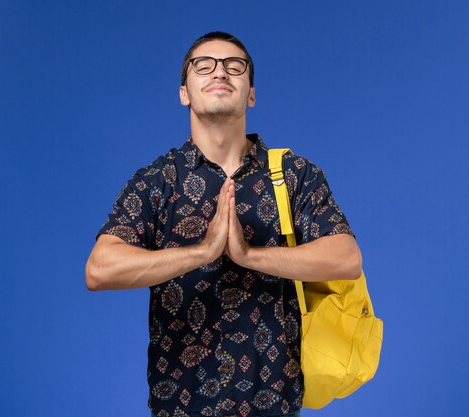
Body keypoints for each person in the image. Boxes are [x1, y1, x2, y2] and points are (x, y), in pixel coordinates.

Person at [85, 31, 362, 417]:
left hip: (275, 405)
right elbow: (99, 269)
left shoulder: (293, 175)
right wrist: (202, 251)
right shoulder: (158, 180)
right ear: (185, 92)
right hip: (179, 406)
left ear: (251, 93)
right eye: (204, 65)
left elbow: (346, 258)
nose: (220, 72)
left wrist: (248, 255)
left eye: (235, 66)